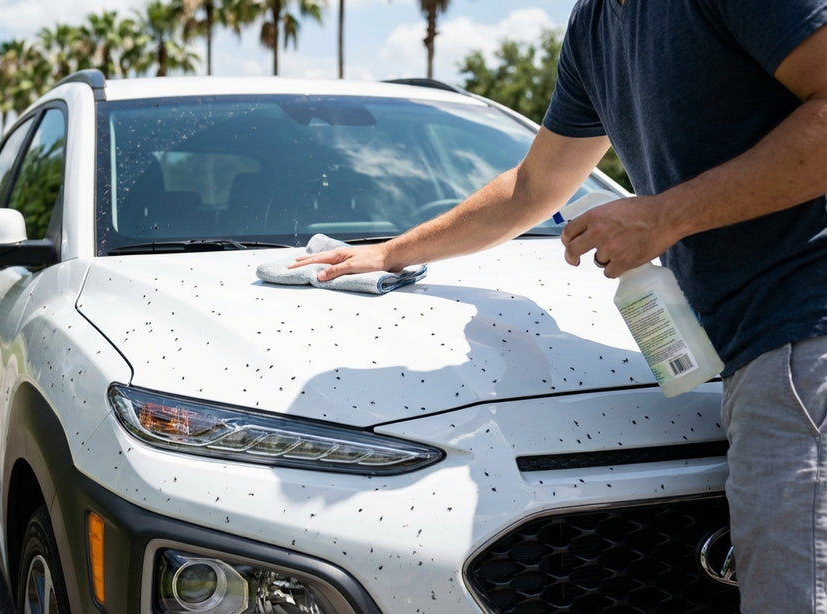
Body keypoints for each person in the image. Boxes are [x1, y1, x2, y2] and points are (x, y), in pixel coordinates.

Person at [291, 1, 827, 611]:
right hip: (754, 355)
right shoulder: (598, 25)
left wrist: (666, 215)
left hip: (805, 340)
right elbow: (533, 186)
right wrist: (392, 251)